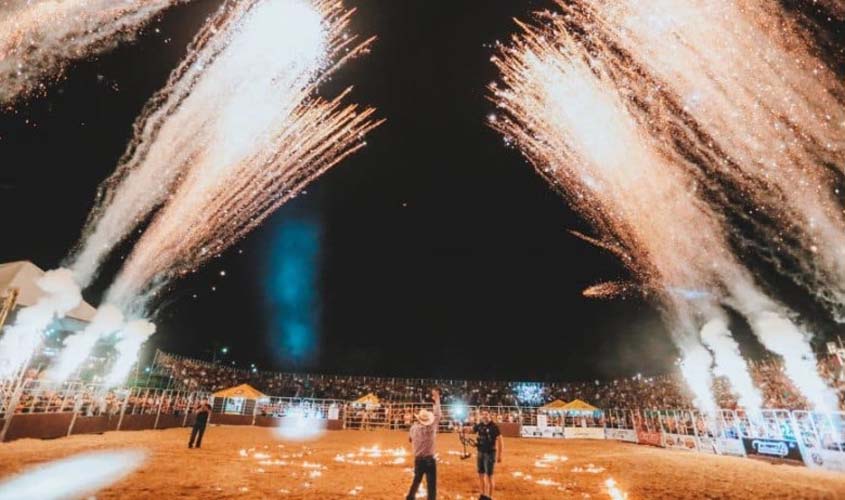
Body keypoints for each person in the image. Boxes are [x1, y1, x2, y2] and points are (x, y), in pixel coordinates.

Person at [406, 388, 441, 500]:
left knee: (416, 480)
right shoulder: (431, 428)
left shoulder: (413, 428)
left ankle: (410, 497)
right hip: (429, 460)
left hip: (418, 459)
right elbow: (438, 415)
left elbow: (410, 439)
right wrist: (437, 399)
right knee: (431, 485)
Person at [462, 409, 503, 500]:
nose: (484, 416)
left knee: (489, 476)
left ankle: (490, 496)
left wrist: (499, 455)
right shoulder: (480, 425)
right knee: (481, 475)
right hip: (480, 452)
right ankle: (483, 495)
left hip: (490, 453)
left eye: (486, 414)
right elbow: (472, 430)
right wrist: (465, 429)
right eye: (483, 414)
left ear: (489, 415)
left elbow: (500, 440)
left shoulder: (494, 427)